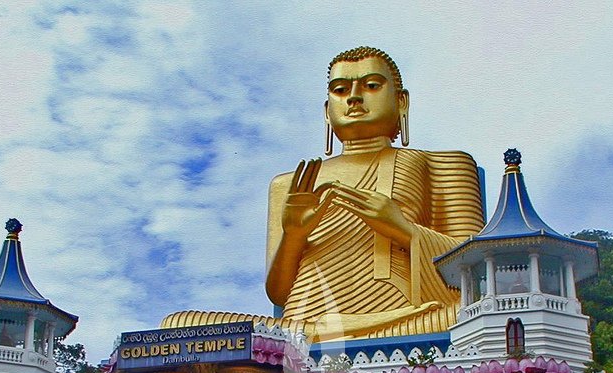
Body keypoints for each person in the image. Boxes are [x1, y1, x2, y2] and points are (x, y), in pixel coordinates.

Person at [162, 46, 484, 340]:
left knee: (480, 313)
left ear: (401, 101)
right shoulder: (289, 184)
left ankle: (326, 341)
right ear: (326, 109)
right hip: (303, 325)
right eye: (341, 90)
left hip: (404, 320)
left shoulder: (443, 164)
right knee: (178, 325)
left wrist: (403, 229)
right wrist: (294, 235)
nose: (354, 98)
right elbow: (278, 293)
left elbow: (477, 275)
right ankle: (317, 340)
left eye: (371, 86)